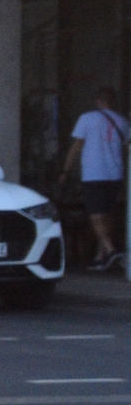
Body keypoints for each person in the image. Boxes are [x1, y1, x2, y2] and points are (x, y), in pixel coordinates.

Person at [63, 87, 129, 274]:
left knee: (95, 215)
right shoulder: (122, 122)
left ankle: (110, 250)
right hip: (115, 174)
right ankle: (101, 258)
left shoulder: (87, 118)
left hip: (94, 173)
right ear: (113, 101)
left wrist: (65, 170)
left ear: (99, 100)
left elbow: (76, 146)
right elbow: (126, 150)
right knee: (107, 214)